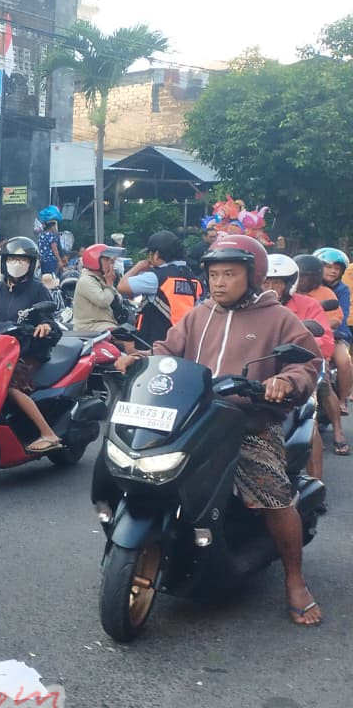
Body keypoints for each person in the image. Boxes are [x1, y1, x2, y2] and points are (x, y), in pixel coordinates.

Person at [115, 234, 322, 626]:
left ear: (253, 275)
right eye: (214, 274)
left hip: (249, 424)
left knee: (273, 494)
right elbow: (168, 351)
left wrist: (286, 381)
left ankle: (295, 581)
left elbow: (307, 363)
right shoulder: (200, 313)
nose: (219, 282)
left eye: (230, 273)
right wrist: (141, 360)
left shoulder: (277, 317)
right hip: (194, 418)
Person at [0, 237, 62, 453]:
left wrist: (45, 326)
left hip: (29, 352)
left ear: (31, 263)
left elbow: (50, 320)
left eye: (22, 259)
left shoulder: (38, 290)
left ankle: (48, 433)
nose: (17, 263)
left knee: (9, 387)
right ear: (4, 261)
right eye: (13, 258)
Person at [264, 253, 341, 471]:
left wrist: (298, 343)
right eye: (265, 281)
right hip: (258, 371)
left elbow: (325, 343)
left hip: (300, 369)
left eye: (276, 282)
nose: (270, 287)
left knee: (308, 421)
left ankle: (316, 484)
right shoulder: (248, 306)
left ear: (289, 283)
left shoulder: (309, 305)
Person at [117, 230, 204, 347]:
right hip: (184, 341)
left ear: (156, 254)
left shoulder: (156, 277)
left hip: (154, 344)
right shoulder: (192, 278)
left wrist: (138, 267)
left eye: (149, 254)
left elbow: (122, 286)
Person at [312, 247, 352, 415]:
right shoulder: (308, 286)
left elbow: (340, 315)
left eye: (337, 268)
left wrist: (332, 331)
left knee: (344, 361)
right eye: (328, 267)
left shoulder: (342, 289)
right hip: (309, 333)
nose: (333, 271)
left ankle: (342, 399)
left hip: (336, 335)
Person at [73, 243, 126, 334]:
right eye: (106, 259)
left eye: (110, 260)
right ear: (94, 260)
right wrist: (109, 284)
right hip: (91, 327)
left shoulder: (100, 279)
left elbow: (118, 299)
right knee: (124, 340)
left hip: (104, 324)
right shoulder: (86, 280)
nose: (110, 263)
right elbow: (103, 301)